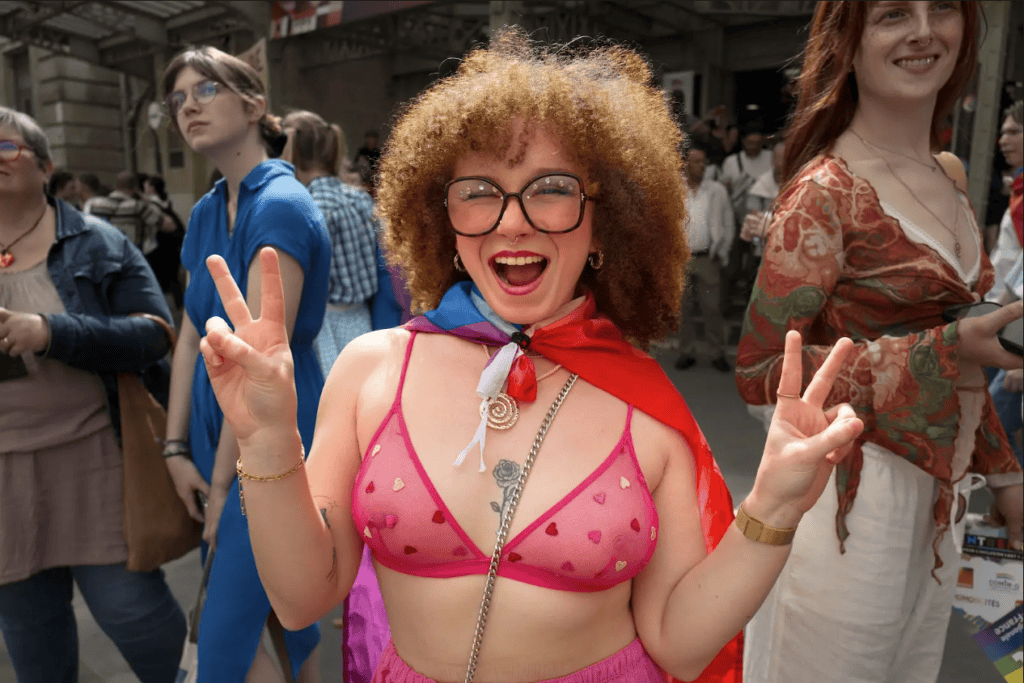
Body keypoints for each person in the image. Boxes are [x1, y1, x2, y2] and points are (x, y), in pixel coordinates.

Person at [194, 29, 866, 683]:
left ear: (605, 219)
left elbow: (680, 646)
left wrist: (773, 506)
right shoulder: (371, 370)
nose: (512, 220)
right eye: (479, 190)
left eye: (550, 187)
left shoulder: (648, 408)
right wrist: (268, 440)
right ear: (443, 221)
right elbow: (301, 598)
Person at [734, 3, 1024, 682]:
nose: (925, 30)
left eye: (942, 8)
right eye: (894, 13)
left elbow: (963, 358)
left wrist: (1005, 473)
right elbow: (760, 373)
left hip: (946, 498)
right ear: (848, 41)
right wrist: (951, 347)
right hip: (844, 498)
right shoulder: (825, 191)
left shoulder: (949, 175)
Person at [159, 46, 330, 682]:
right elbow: (184, 335)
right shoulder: (207, 208)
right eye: (177, 99)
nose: (188, 108)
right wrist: (176, 449)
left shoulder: (280, 204)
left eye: (205, 91)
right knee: (275, 614)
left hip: (271, 424)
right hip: (213, 424)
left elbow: (259, 362)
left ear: (255, 104)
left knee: (225, 635)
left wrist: (227, 486)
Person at [0, 107, 186, 682]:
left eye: (4, 146)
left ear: (46, 166)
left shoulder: (95, 242)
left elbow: (156, 334)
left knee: (133, 613)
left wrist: (50, 331)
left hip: (94, 457)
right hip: (3, 473)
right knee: (30, 632)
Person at [281, 111, 379, 378]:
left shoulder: (312, 206)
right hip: (362, 316)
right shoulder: (358, 198)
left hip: (327, 322)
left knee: (334, 401)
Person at [675, 144, 733, 373]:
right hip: (680, 259)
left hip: (708, 257)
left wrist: (723, 249)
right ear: (685, 164)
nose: (702, 166)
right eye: (697, 162)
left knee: (712, 308)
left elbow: (728, 222)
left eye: (703, 162)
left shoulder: (716, 189)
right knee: (683, 308)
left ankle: (716, 352)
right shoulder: (674, 188)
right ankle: (686, 351)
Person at [85, 170, 170, 257]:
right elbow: (169, 225)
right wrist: (146, 201)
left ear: (115, 186)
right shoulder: (138, 207)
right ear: (135, 188)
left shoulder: (93, 205)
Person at [141, 174, 187, 311]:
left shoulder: (150, 205)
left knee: (158, 279)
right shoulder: (166, 203)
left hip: (159, 246)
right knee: (173, 278)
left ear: (152, 188)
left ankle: (162, 310)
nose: (144, 187)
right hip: (173, 246)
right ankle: (181, 306)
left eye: (146, 185)